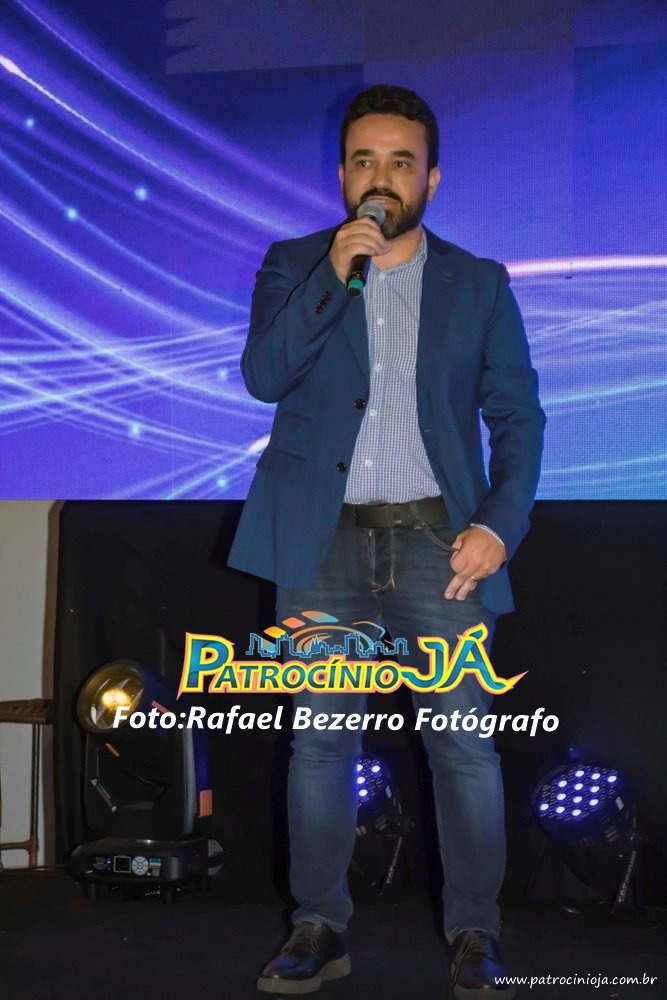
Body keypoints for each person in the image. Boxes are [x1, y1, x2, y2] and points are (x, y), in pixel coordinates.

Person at [228, 84, 545, 999]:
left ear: (430, 178)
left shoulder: (477, 283)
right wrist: (335, 275)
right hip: (320, 549)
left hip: (439, 549)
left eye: (400, 162)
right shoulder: (296, 265)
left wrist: (497, 525)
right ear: (341, 174)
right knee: (321, 748)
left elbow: (517, 419)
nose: (381, 177)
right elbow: (263, 376)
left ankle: (475, 932)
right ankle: (318, 926)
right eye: (364, 160)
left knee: (463, 750)